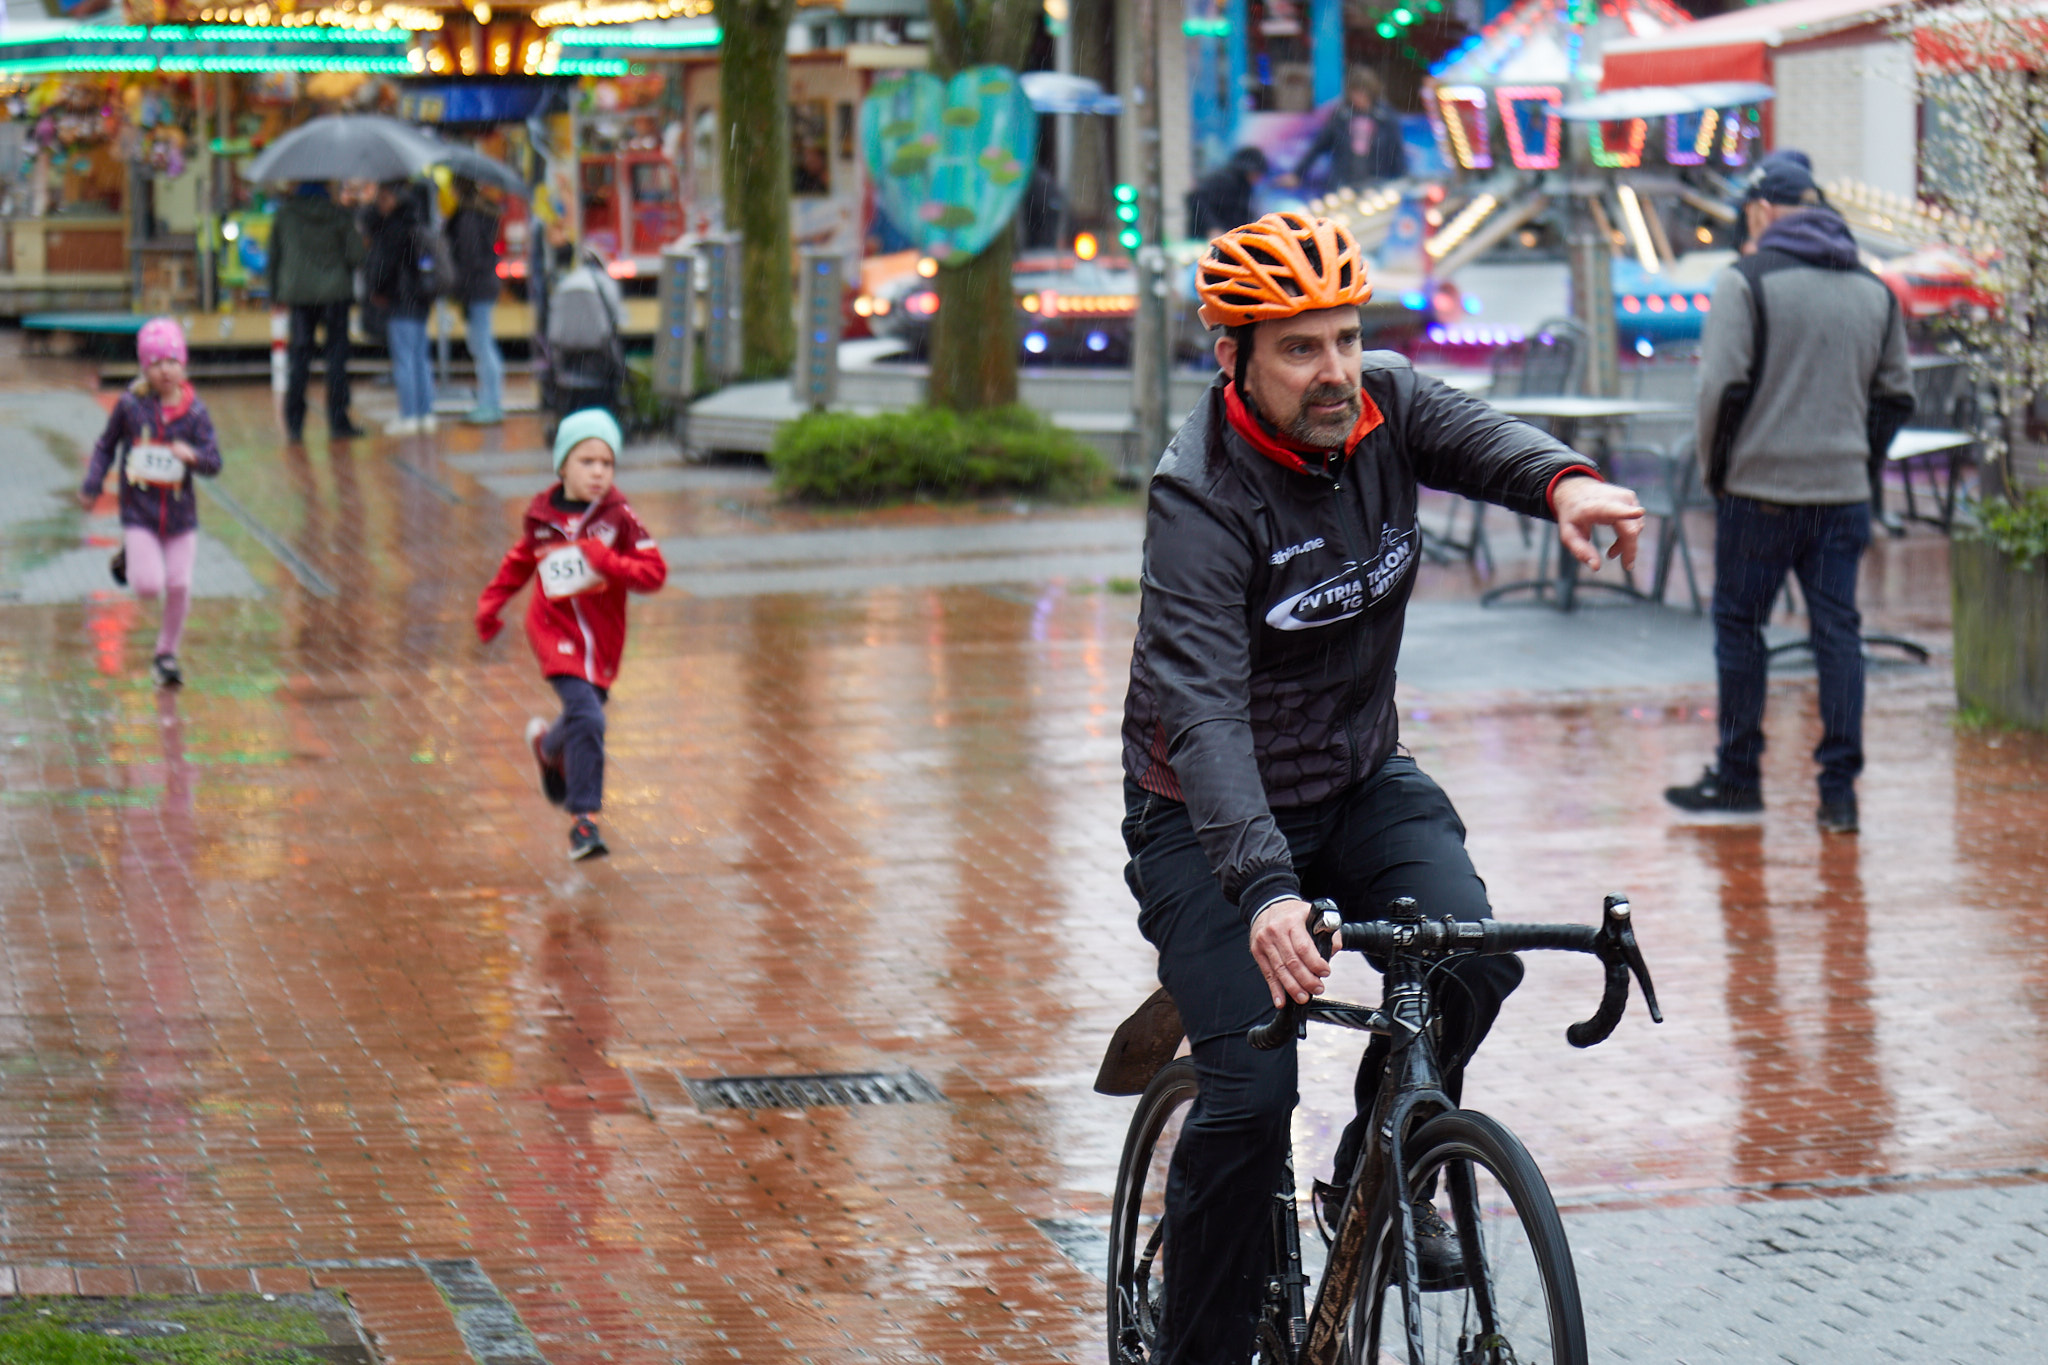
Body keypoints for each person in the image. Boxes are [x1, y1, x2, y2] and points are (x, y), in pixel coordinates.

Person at [1120, 211, 1645, 1365]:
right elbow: (1201, 714)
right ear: (1233, 357)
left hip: (1356, 781)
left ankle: (1380, 1167)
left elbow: (1488, 440)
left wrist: (1563, 486)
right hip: (1199, 820)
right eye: (1300, 348)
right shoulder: (1197, 497)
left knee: (1474, 955)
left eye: (1346, 339)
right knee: (1248, 1104)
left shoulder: (1386, 406)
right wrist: (1261, 892)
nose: (1333, 371)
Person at [1666, 154, 1913, 835]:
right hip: (1841, 495)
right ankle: (1839, 793)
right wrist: (1859, 463)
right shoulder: (1874, 289)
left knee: (1740, 631)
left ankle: (1739, 777)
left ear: (1764, 211)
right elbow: (1896, 395)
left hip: (1758, 492)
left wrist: (1718, 472)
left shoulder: (1745, 283)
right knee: (1839, 634)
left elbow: (1721, 389)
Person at [474, 409, 668, 862]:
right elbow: (521, 561)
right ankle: (584, 823)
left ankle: (547, 746)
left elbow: (654, 574)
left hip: (602, 640)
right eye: (587, 461)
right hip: (552, 630)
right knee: (591, 718)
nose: (599, 472)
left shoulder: (620, 518)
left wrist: (605, 560)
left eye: (607, 463)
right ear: (562, 465)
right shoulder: (542, 518)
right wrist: (490, 606)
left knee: (583, 717)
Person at [78, 318, 222, 690]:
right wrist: (93, 485)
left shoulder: (195, 413)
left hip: (180, 516)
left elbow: (214, 461)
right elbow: (105, 445)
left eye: (172, 361)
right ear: (145, 367)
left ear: (183, 365)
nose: (165, 371)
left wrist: (191, 455)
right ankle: (130, 557)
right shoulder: (131, 407)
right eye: (156, 363)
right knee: (147, 585)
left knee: (179, 584)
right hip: (139, 514)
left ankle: (166, 653)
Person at [268, 181, 366, 442]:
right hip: (335, 295)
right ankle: (338, 420)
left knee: (299, 358)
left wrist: (274, 293)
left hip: (298, 295)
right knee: (336, 359)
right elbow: (356, 255)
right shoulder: (338, 214)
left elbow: (274, 256)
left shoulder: (285, 215)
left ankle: (295, 423)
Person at [364, 180, 438, 435]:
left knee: (404, 359)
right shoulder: (416, 223)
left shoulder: (393, 228)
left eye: (383, 198)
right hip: (419, 300)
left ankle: (409, 414)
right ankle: (425, 413)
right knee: (420, 358)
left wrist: (377, 290)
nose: (380, 204)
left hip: (400, 300)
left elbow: (385, 266)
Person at [1279, 65, 1407, 193]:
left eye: (1362, 92)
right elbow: (1319, 146)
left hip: (1376, 183)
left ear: (1371, 92)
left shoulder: (1386, 117)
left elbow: (1397, 151)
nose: (1358, 97)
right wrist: (1297, 173)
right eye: (1355, 92)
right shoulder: (1341, 115)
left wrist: (1402, 180)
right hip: (1343, 183)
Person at [446, 177, 506, 425]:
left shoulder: (467, 218)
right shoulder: (481, 214)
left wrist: (458, 288)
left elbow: (468, 258)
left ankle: (490, 402)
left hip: (476, 287)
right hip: (484, 284)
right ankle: (490, 400)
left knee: (482, 345)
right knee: (483, 344)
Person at [1186, 146, 1269, 239]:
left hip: (1229, 237)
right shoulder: (1222, 179)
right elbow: (1196, 199)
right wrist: (1212, 227)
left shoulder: (1245, 186)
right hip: (1207, 237)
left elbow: (1241, 212)